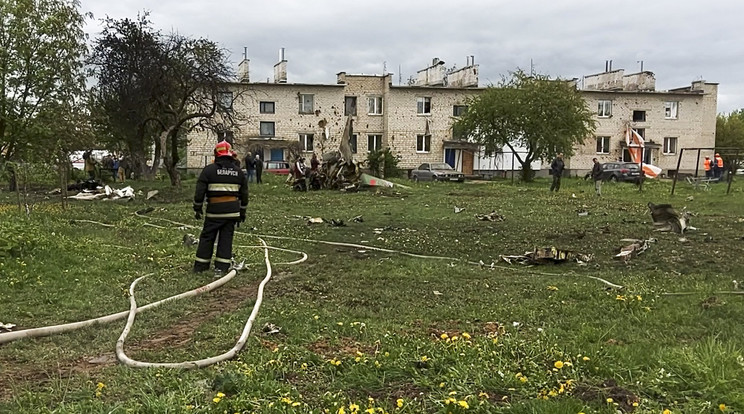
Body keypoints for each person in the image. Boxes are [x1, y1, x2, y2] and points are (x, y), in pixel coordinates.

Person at [193, 140, 248, 275]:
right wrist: (242, 212)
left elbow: (200, 191)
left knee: (207, 237)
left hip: (214, 212)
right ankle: (222, 267)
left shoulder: (208, 170)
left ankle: (201, 266)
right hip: (232, 213)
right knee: (226, 239)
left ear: (216, 154)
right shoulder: (238, 172)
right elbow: (244, 194)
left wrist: (198, 207)